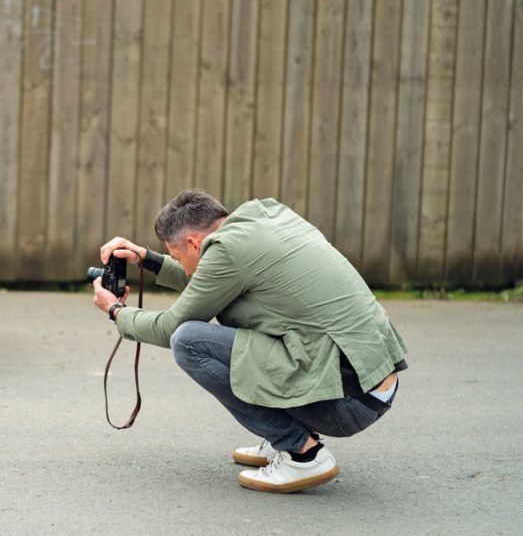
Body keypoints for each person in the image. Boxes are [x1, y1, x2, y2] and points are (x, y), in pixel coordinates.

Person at [92, 189, 407, 493]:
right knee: (249, 322)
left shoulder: (226, 252)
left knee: (187, 341)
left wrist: (116, 311)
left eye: (178, 255)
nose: (180, 261)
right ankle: (286, 433)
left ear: (192, 242)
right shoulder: (266, 217)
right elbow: (207, 280)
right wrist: (147, 258)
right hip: (371, 383)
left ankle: (302, 453)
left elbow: (170, 326)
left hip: (347, 402)